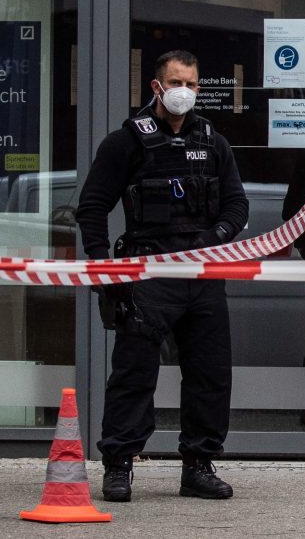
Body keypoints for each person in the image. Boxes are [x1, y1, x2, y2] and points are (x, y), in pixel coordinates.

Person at [77, 49, 249, 503]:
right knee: (134, 373)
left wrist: (213, 238)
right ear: (156, 86)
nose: (183, 92)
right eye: (176, 83)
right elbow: (92, 208)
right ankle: (119, 465)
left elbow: (237, 205)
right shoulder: (126, 142)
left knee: (210, 373)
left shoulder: (213, 142)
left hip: (202, 273)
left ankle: (199, 466)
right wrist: (103, 265)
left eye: (191, 84)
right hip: (148, 271)